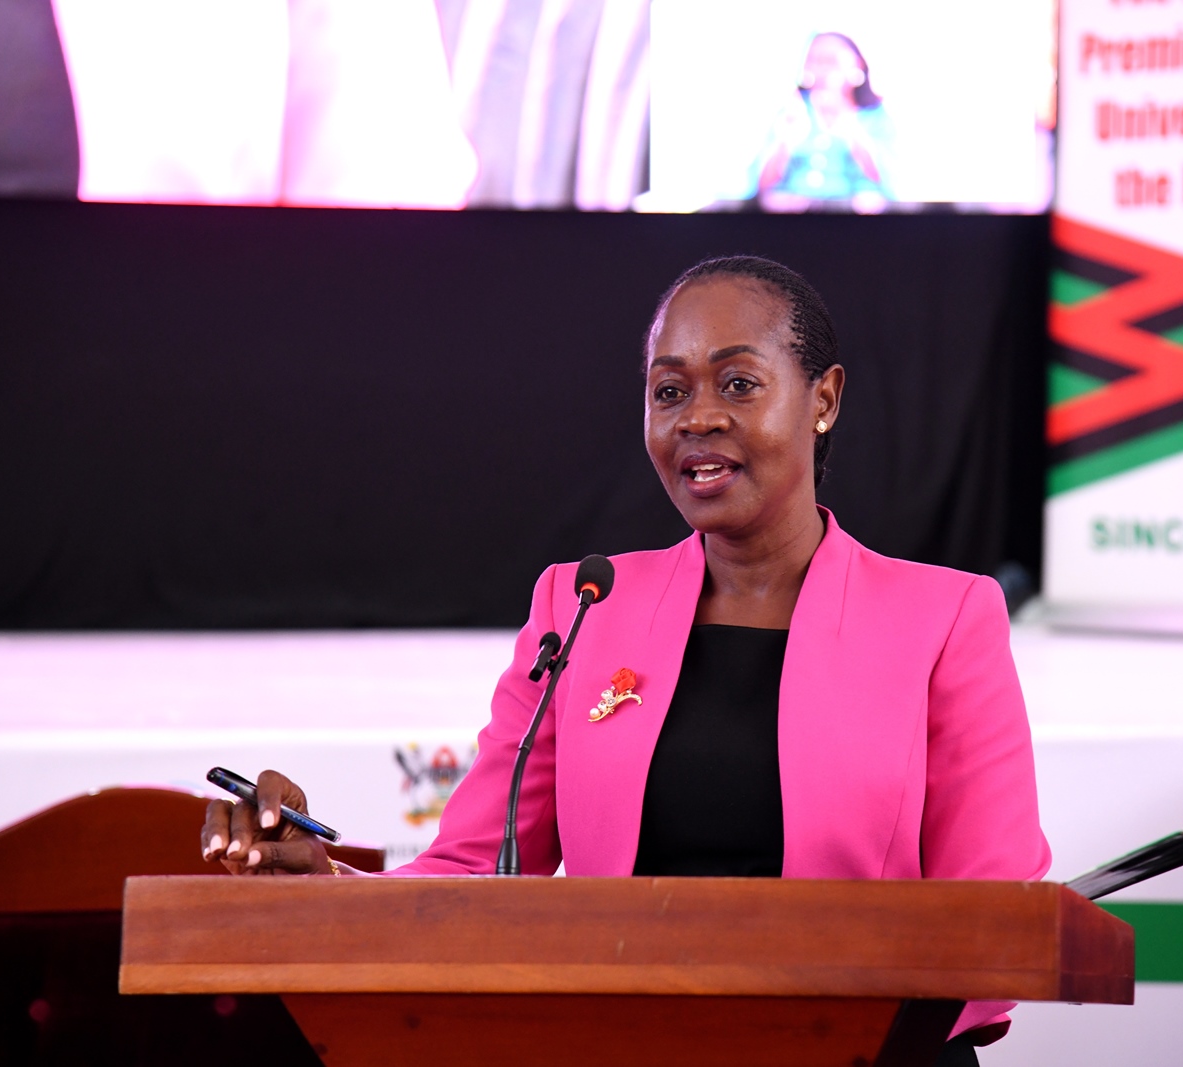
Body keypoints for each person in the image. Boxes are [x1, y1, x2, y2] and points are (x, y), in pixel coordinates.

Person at [201, 256, 1050, 1060]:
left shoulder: (945, 617)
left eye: (740, 383)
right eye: (669, 390)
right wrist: (321, 881)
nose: (698, 417)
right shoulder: (583, 606)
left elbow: (992, 909)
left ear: (823, 399)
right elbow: (475, 870)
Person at [752, 33, 897, 214]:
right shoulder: (791, 111)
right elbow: (760, 187)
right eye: (814, 60)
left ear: (857, 64)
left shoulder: (875, 115)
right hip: (793, 217)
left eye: (831, 60)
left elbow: (892, 186)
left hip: (856, 221)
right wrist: (786, 140)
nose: (821, 69)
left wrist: (850, 126)